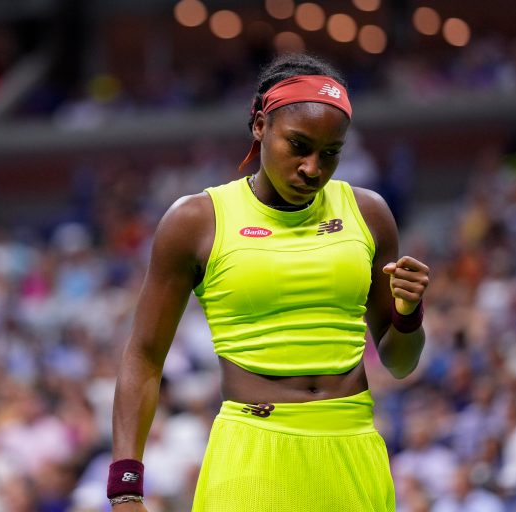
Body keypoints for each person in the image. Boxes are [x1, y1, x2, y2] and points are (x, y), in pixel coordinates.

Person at [109, 53, 430, 511]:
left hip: (353, 447)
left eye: (331, 153)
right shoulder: (196, 220)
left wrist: (409, 314)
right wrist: (125, 488)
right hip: (252, 454)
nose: (313, 169)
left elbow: (400, 363)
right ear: (260, 125)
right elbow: (143, 357)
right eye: (298, 146)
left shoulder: (370, 213)